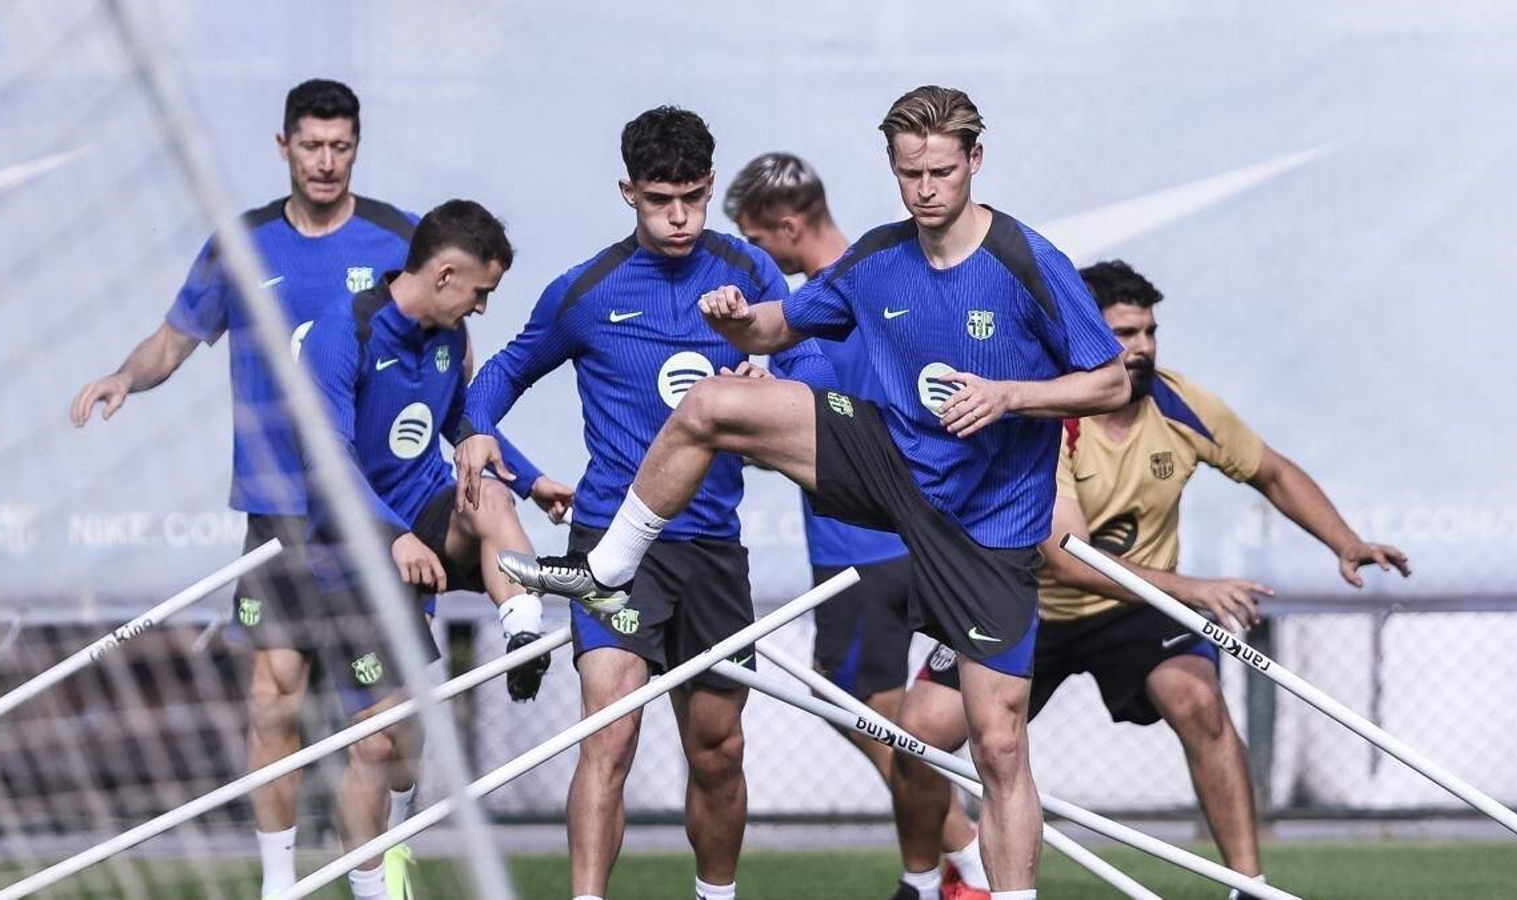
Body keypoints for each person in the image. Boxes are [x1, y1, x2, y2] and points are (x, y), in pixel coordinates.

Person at [486, 87, 1130, 900]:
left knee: (998, 747)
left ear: (975, 160)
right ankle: (609, 565)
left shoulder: (1025, 262)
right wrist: (735, 322)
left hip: (985, 521)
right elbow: (775, 330)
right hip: (887, 460)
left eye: (940, 171)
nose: (925, 189)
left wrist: (1013, 397)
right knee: (711, 406)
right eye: (908, 174)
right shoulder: (877, 257)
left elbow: (1108, 380)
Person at [894, 259, 1413, 900]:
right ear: (1081, 336)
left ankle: (1247, 887)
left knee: (1200, 703)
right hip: (1025, 602)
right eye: (1121, 334)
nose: (1139, 349)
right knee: (915, 735)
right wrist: (1192, 589)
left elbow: (1272, 472)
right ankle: (929, 879)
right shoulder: (1048, 415)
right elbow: (1065, 554)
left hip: (1136, 607)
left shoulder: (1181, 403)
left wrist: (1345, 541)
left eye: (1147, 332)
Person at [453, 107, 834, 900]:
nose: (679, 216)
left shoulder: (751, 271)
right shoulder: (588, 292)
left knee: (717, 748)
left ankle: (714, 895)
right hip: (611, 547)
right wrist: (478, 431)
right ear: (628, 191)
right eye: (661, 199)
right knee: (609, 732)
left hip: (710, 547)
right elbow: (501, 373)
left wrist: (780, 373)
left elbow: (815, 362)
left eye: (693, 197)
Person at [66, 79, 423, 896]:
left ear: (356, 148)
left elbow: (448, 353)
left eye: (340, 146)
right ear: (284, 148)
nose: (326, 162)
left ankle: (386, 856)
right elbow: (173, 340)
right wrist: (125, 376)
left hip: (370, 516)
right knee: (272, 701)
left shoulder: (397, 239)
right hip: (277, 515)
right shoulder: (243, 243)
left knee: (384, 730)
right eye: (311, 146)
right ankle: (279, 883)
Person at [723, 151, 990, 900]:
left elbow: (808, 430)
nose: (755, 259)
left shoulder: (820, 307)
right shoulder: (893, 279)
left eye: (756, 240)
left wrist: (746, 411)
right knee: (883, 707)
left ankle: (965, 855)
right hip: (924, 535)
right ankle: (938, 866)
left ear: (787, 225)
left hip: (860, 547)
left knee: (859, 702)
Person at [298, 198, 578, 900]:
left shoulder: (449, 338)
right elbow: (327, 460)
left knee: (487, 494)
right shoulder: (343, 334)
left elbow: (461, 423)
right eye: (483, 292)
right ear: (447, 275)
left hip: (423, 520)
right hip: (349, 551)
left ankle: (523, 632)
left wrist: (533, 476)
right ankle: (374, 888)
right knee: (380, 745)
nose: (484, 308)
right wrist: (390, 539)